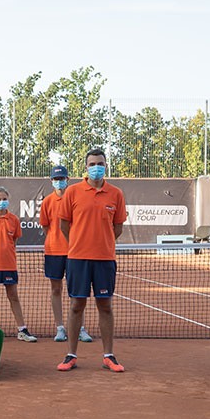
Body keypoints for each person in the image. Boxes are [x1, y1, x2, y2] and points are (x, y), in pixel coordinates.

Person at [57, 148, 127, 373]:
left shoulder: (116, 194)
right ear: (85, 167)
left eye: (100, 164)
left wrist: (101, 243)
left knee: (105, 306)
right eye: (92, 164)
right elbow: (64, 225)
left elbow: (117, 228)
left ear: (106, 166)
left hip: (105, 259)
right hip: (77, 259)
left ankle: (108, 355)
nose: (96, 167)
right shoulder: (72, 192)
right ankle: (71, 355)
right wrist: (78, 243)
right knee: (76, 305)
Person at [39, 165, 92, 344]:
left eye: (61, 179)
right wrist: (55, 239)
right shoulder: (47, 202)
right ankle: (60, 328)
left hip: (74, 252)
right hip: (53, 251)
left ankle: (79, 328)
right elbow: (46, 226)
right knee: (56, 289)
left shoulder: (76, 198)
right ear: (51, 181)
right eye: (56, 179)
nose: (59, 182)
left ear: (67, 180)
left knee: (76, 292)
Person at [0, 187, 36, 341]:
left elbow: (14, 240)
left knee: (13, 296)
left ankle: (22, 330)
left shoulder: (14, 220)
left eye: (4, 199)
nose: (2, 202)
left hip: (9, 264)